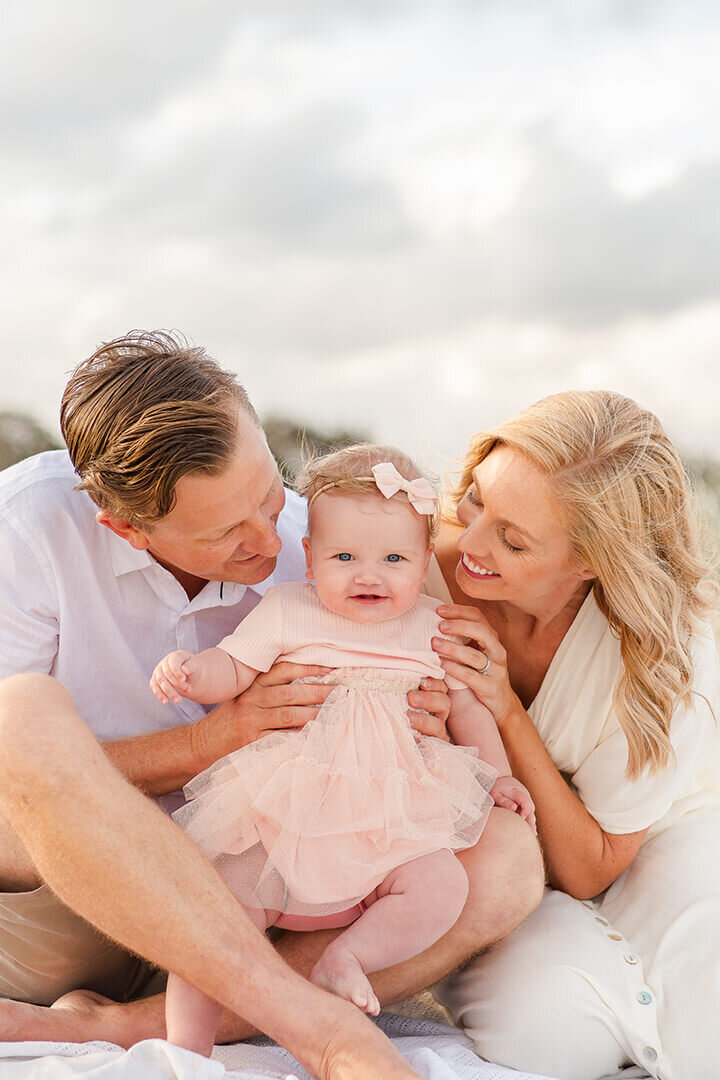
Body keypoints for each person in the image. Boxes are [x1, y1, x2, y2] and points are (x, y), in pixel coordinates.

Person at [0, 330, 544, 1058]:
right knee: (20, 718)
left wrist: (441, 725)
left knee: (509, 861)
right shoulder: (28, 528)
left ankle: (124, 1026)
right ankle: (316, 1029)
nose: (270, 536)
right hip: (73, 900)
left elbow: (433, 681)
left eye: (267, 491)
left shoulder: (325, 539)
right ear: (126, 528)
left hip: (289, 886)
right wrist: (209, 740)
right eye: (228, 532)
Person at [151, 444, 535, 1055]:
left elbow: (468, 712)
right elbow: (233, 665)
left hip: (390, 821)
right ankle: (184, 1047)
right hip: (282, 812)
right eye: (345, 556)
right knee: (217, 913)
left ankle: (346, 958)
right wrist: (193, 673)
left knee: (440, 887)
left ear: (423, 558)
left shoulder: (437, 626)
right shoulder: (286, 609)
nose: (368, 574)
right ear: (309, 558)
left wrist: (498, 778)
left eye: (394, 558)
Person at [421, 390, 720, 1080]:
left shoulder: (664, 653)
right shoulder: (414, 564)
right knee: (549, 1032)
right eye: (476, 500)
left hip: (649, 833)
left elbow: (593, 865)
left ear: (590, 564)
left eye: (512, 540)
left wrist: (505, 709)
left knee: (708, 1004)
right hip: (494, 847)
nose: (469, 542)